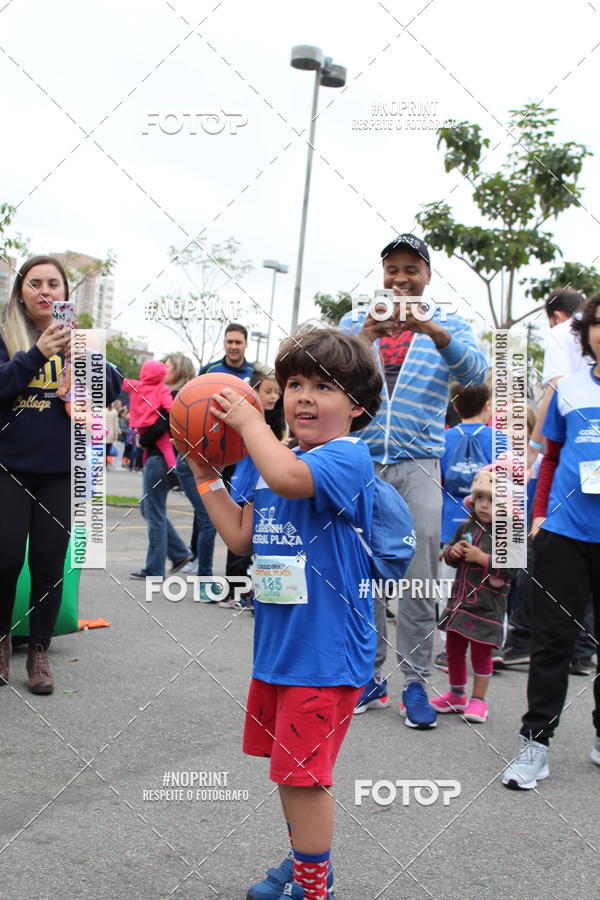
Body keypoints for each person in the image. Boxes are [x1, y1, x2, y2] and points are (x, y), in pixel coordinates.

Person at [186, 328, 382, 900]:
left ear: (357, 407)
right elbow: (241, 537)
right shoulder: (269, 460)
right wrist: (205, 476)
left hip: (323, 656)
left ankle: (313, 888)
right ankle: (305, 865)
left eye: (324, 386)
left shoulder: (347, 457)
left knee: (304, 778)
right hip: (278, 652)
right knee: (288, 774)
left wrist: (250, 428)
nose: (303, 395)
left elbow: (289, 479)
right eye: (295, 382)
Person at [339, 234, 488, 728]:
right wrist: (364, 337)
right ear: (381, 273)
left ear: (427, 275)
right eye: (391, 269)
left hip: (421, 464)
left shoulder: (448, 323)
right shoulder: (354, 320)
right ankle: (369, 677)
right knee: (362, 573)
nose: (400, 278)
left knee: (420, 574)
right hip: (361, 462)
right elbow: (328, 372)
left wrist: (434, 331)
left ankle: (416, 683)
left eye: (411, 269)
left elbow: (477, 372)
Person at [0, 256, 122, 693]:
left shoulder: (82, 341)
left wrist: (84, 357)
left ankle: (38, 652)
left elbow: (110, 390)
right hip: (9, 467)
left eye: (54, 283)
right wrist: (36, 355)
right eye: (35, 283)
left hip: (61, 471)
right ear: (21, 292)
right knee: (6, 556)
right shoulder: (6, 336)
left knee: (50, 562)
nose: (45, 291)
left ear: (66, 295)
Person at [502, 295, 600, 789]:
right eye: (599, 323)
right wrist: (538, 514)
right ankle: (534, 746)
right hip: (563, 533)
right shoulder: (567, 390)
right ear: (586, 334)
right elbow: (552, 458)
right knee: (551, 644)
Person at [511, 288, 596, 674]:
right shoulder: (572, 382)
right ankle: (537, 732)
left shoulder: (559, 335)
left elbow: (549, 390)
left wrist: (529, 448)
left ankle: (539, 642)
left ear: (555, 317)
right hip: (568, 512)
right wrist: (540, 512)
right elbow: (555, 453)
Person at [432, 469, 519, 723]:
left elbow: (513, 568)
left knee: (482, 654)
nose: (484, 505)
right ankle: (457, 695)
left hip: (487, 606)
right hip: (459, 603)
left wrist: (482, 558)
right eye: (480, 498)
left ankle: (479, 700)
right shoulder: (465, 527)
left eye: (492, 501)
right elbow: (447, 557)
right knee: (454, 649)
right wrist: (453, 552)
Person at [434, 383, 508, 672]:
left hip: (449, 519)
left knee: (448, 587)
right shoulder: (500, 439)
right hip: (491, 523)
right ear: (487, 405)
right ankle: (493, 645)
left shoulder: (442, 438)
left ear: (454, 406)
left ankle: (446, 646)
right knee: (496, 586)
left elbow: (435, 479)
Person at [219, 363, 285, 610]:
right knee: (238, 544)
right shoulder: (247, 421)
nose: (273, 396)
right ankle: (234, 593)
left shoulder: (274, 421)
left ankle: (244, 593)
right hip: (243, 487)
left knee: (253, 545)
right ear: (253, 391)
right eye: (268, 391)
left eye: (276, 392)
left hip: (260, 491)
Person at [130, 356, 195, 581]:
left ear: (179, 371)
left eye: (168, 366)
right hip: (166, 459)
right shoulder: (181, 396)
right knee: (149, 510)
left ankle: (155, 569)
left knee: (154, 513)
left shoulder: (171, 395)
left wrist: (143, 441)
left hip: (159, 459)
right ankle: (178, 553)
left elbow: (160, 425)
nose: (163, 369)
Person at [123, 360, 177, 471]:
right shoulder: (163, 389)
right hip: (153, 423)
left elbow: (121, 381)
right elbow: (168, 406)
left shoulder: (135, 385)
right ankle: (173, 466)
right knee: (166, 446)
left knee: (146, 447)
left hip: (138, 425)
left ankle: (145, 465)